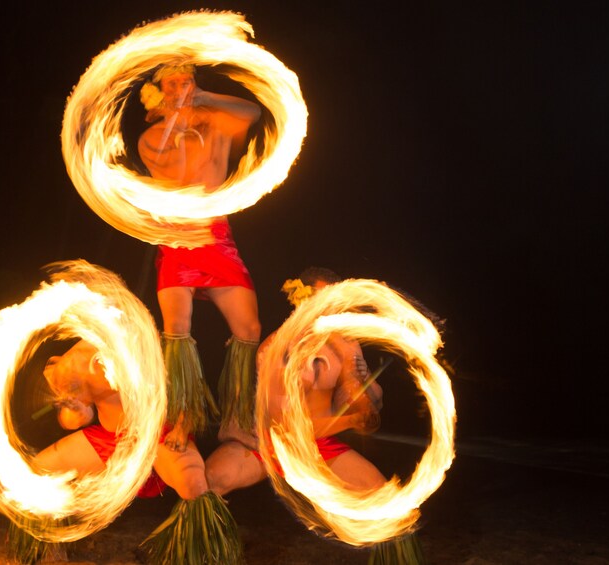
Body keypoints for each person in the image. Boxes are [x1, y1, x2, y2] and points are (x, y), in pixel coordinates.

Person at [21, 339, 242, 565]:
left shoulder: (141, 339)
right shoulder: (73, 361)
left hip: (159, 435)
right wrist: (74, 407)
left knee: (193, 483)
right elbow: (75, 419)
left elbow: (188, 392)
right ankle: (49, 549)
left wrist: (181, 429)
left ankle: (203, 555)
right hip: (113, 439)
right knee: (42, 467)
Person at [137, 62, 263, 451]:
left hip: (216, 238)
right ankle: (180, 421)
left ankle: (236, 421)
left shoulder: (218, 128)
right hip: (177, 240)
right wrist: (172, 119)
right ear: (158, 96)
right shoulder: (152, 138)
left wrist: (204, 100)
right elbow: (163, 162)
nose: (180, 88)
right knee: (178, 332)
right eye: (171, 84)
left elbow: (253, 112)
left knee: (249, 330)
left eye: (186, 81)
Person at [205, 266, 385, 497]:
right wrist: (351, 421)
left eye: (331, 303)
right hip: (269, 442)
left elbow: (368, 401)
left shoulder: (346, 346)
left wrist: (365, 403)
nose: (325, 310)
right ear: (298, 300)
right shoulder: (275, 348)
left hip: (318, 443)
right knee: (212, 479)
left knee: (379, 492)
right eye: (317, 301)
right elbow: (286, 425)